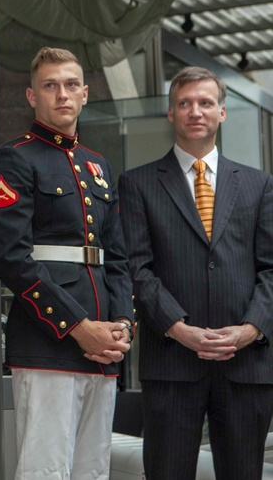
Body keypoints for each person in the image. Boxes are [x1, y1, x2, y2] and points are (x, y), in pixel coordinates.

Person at [0, 46, 133, 480]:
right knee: (45, 472)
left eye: (70, 85)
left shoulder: (98, 166)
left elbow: (117, 257)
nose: (61, 95)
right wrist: (78, 327)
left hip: (105, 346)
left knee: (93, 471)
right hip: (50, 340)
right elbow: (11, 258)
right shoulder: (15, 158)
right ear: (32, 96)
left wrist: (122, 323)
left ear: (85, 94)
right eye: (50, 86)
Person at [118, 66, 273, 480]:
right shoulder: (137, 184)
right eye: (184, 103)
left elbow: (271, 269)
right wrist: (179, 328)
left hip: (245, 365)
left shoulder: (259, 185)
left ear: (222, 113)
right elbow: (136, 267)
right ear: (170, 114)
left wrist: (250, 329)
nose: (195, 111)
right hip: (172, 362)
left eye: (205, 102)